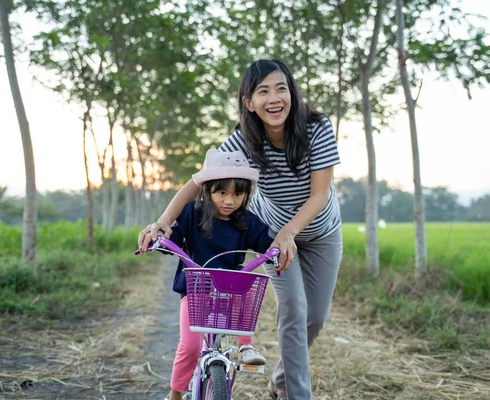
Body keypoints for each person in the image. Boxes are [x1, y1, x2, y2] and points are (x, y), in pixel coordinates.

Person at [139, 59, 343, 400]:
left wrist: (290, 233)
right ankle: (296, 394)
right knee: (293, 310)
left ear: (291, 92)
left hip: (320, 231)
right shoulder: (243, 140)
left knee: (316, 317)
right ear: (249, 102)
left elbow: (320, 194)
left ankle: (280, 377)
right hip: (273, 234)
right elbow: (196, 182)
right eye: (263, 91)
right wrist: (163, 221)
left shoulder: (316, 128)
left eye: (281, 88)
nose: (274, 98)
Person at [145, 148, 274, 400]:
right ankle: (175, 394)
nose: (230, 201)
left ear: (246, 194)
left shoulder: (246, 221)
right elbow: (175, 236)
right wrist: (161, 239)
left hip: (230, 290)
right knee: (191, 347)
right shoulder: (192, 213)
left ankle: (246, 346)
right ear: (207, 190)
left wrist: (277, 250)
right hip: (196, 290)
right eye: (221, 192)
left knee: (248, 288)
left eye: (238, 194)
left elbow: (266, 244)